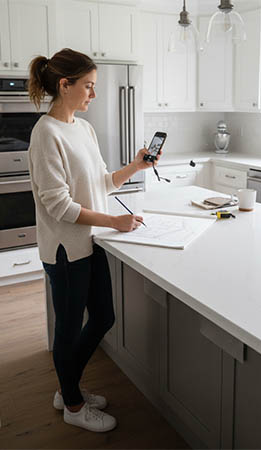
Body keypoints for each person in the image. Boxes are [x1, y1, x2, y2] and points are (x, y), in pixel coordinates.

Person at [28, 48, 158, 433]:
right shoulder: (45, 134)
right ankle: (72, 404)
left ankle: (68, 386)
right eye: (88, 86)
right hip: (66, 250)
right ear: (64, 85)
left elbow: (100, 182)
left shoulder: (83, 129)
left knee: (103, 317)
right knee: (67, 330)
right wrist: (114, 221)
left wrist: (136, 166)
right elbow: (59, 206)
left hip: (93, 241)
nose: (93, 95)